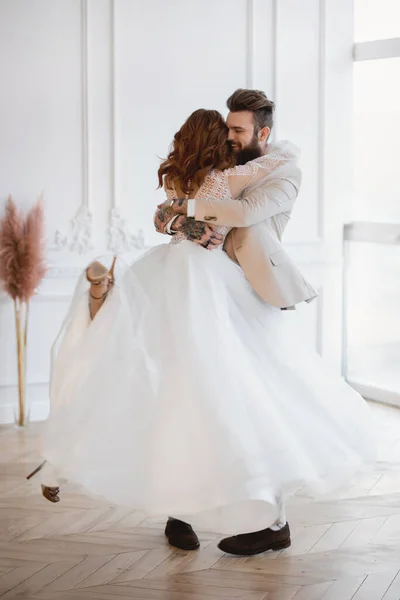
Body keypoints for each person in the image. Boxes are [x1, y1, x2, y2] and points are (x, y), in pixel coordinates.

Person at [38, 93, 376, 557]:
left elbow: (238, 217)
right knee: (179, 388)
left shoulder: (280, 171)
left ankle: (272, 520)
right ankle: (181, 508)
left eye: (238, 131)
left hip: (244, 292)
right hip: (186, 283)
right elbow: (163, 218)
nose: (232, 139)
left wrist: (185, 210)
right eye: (227, 132)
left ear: (262, 132)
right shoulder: (218, 166)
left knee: (247, 395)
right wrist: (177, 214)